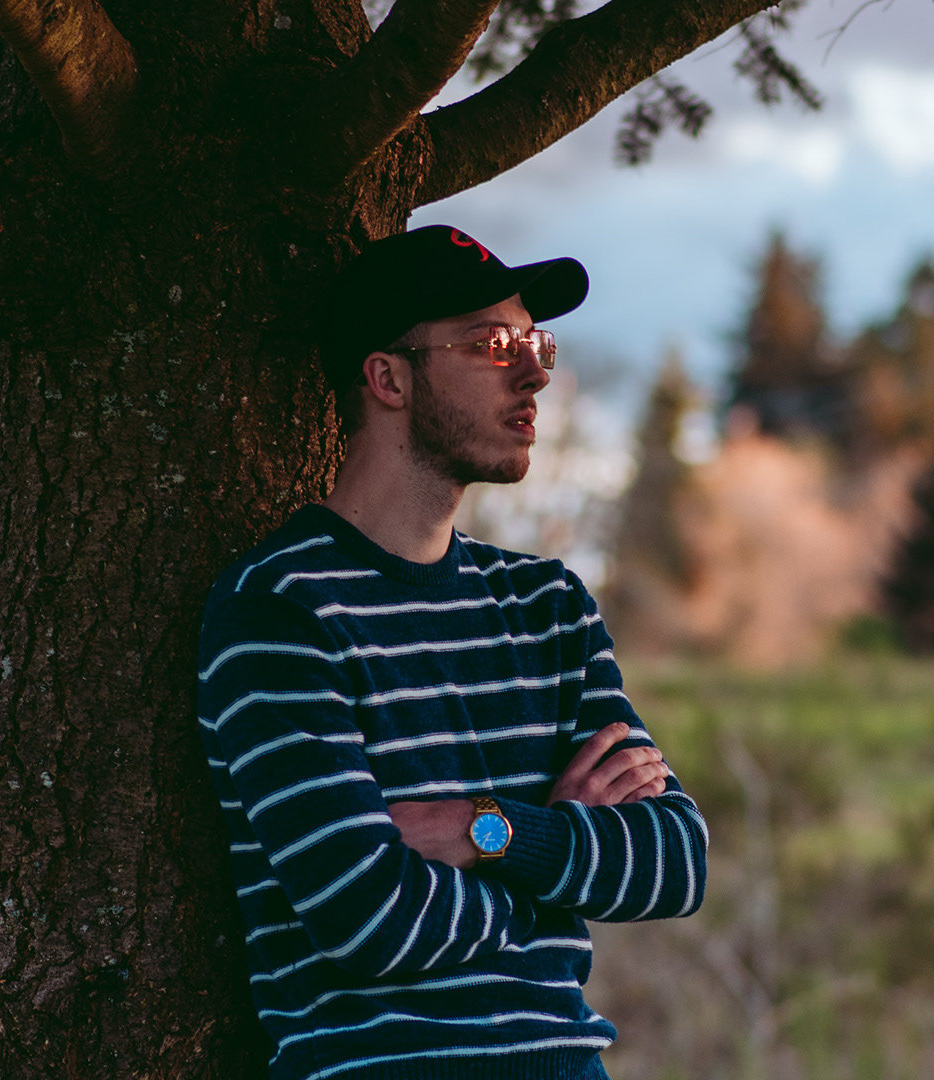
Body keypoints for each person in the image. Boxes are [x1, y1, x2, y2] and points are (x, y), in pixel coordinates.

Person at [196, 225, 708, 1080]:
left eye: (535, 342)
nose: (536, 371)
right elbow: (367, 917)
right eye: (491, 344)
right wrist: (559, 857)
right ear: (388, 377)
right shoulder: (280, 606)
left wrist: (489, 830)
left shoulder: (548, 607)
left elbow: (674, 860)